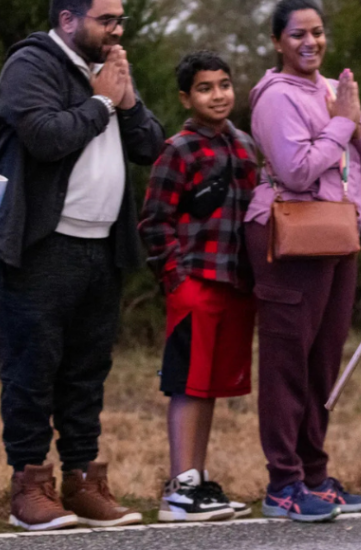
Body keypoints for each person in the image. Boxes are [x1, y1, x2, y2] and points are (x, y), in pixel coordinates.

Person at [0, 0, 164, 530]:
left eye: (120, 19)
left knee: (87, 372)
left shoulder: (105, 72)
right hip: (41, 247)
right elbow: (46, 137)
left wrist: (126, 103)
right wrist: (103, 103)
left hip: (101, 248)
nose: (117, 29)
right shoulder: (29, 65)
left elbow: (151, 145)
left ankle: (84, 481)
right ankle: (30, 487)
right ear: (67, 21)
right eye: (106, 19)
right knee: (32, 371)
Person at [245, 0, 361, 522]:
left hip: (338, 236)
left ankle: (315, 475)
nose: (311, 43)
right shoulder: (275, 97)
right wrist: (342, 126)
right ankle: (283, 485)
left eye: (318, 32)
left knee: (323, 362)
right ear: (278, 41)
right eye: (298, 34)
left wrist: (352, 119)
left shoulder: (333, 90)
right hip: (288, 238)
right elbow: (299, 171)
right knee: (287, 364)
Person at [138, 51, 257, 522]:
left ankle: (198, 479)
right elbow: (154, 220)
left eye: (224, 85)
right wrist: (175, 278)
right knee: (188, 382)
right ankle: (178, 486)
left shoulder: (245, 145)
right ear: (186, 97)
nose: (218, 95)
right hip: (195, 283)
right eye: (205, 88)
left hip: (236, 284)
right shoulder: (178, 149)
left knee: (210, 384)